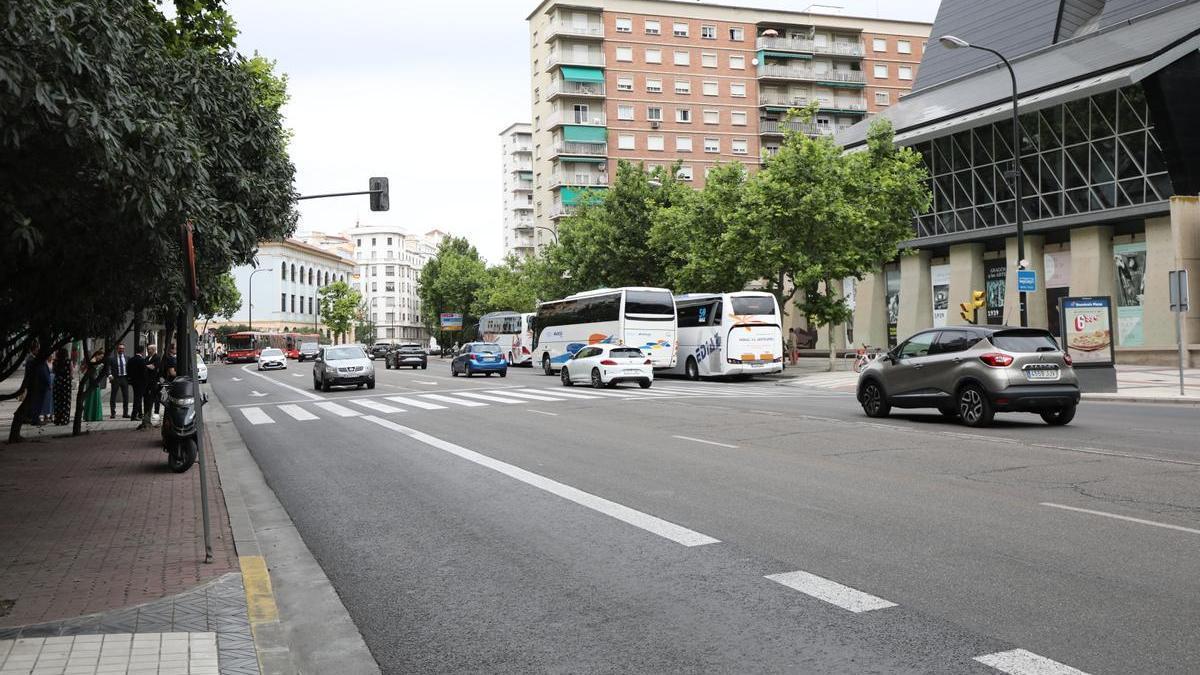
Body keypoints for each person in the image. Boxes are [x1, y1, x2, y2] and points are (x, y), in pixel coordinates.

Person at [107, 343, 131, 419]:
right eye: (120, 348)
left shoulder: (127, 358)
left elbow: (130, 368)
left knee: (126, 396)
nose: (121, 350)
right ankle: (113, 413)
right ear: (117, 349)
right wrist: (109, 375)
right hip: (116, 378)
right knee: (113, 396)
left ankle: (125, 413)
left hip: (124, 378)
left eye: (123, 348)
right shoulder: (112, 358)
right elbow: (107, 368)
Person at [82, 349, 105, 422]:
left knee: (95, 398)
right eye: (100, 357)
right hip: (92, 381)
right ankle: (91, 416)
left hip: (95, 380)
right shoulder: (93, 361)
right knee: (91, 398)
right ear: (97, 355)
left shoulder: (95, 361)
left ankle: (93, 415)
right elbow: (92, 371)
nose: (101, 359)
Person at [52, 347, 72, 425]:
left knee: (57, 402)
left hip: (57, 382)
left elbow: (53, 371)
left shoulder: (55, 362)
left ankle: (57, 420)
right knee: (65, 401)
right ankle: (64, 419)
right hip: (66, 383)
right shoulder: (68, 361)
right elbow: (71, 372)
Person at [128, 344, 148, 421]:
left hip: (134, 382)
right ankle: (134, 415)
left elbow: (128, 371)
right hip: (141, 383)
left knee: (137, 398)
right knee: (138, 399)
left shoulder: (131, 360)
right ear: (142, 352)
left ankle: (139, 414)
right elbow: (144, 373)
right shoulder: (142, 360)